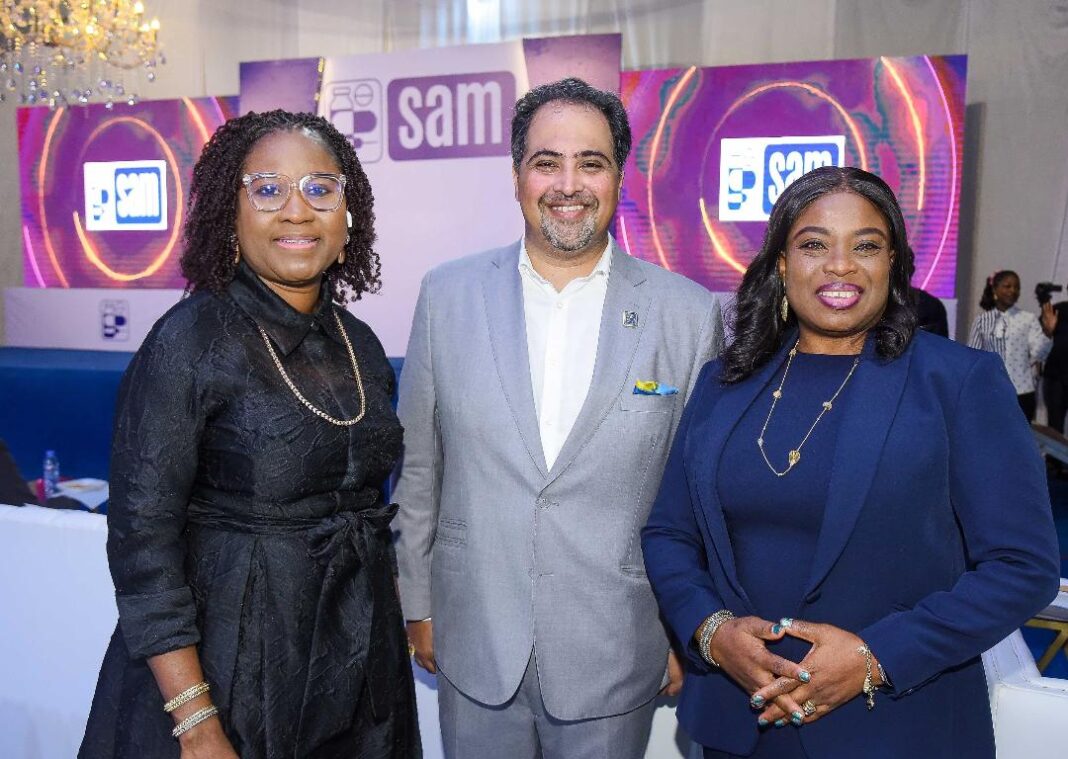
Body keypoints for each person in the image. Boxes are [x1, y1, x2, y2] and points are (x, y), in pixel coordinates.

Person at [641, 166, 1060, 759]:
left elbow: (1023, 566)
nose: (840, 265)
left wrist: (876, 656)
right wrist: (712, 634)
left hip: (896, 725)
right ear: (782, 265)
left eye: (866, 245)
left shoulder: (957, 383)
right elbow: (668, 533)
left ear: (893, 264)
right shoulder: (724, 384)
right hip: (742, 723)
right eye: (814, 245)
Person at [393, 78, 723, 758]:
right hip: (474, 639)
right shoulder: (446, 295)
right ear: (517, 175)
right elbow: (420, 467)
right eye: (547, 161)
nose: (567, 183)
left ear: (618, 175)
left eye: (591, 162)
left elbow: (699, 497)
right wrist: (417, 604)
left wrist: (682, 626)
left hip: (617, 648)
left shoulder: (688, 315)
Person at [80, 110, 420, 758]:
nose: (297, 210)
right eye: (268, 189)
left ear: (347, 219)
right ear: (230, 218)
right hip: (228, 676)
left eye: (321, 188)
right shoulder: (188, 342)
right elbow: (141, 544)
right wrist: (195, 720)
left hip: (356, 674)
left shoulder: (363, 346)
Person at [967, 270, 1055, 421]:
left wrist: (1047, 333)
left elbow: (1038, 354)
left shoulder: (1028, 319)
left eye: (1017, 287)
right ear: (995, 289)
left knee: (1019, 441)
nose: (1013, 291)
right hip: (990, 391)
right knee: (992, 437)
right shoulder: (982, 320)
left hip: (1022, 392)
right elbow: (972, 357)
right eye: (1007, 286)